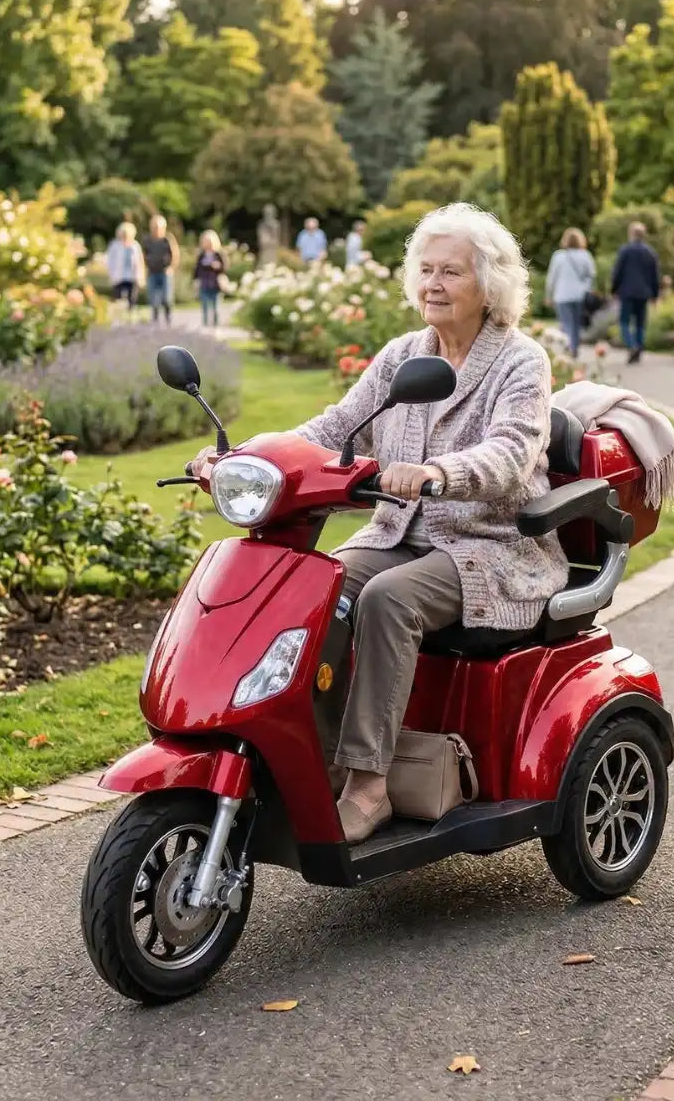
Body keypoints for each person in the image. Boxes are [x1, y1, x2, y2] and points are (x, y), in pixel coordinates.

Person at [188, 203, 568, 843]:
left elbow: (512, 451)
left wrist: (435, 472)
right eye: (425, 270)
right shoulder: (401, 357)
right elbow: (334, 427)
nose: (433, 284)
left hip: (488, 546)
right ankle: (316, 753)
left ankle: (368, 787)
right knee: (315, 583)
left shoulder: (520, 362)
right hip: (397, 533)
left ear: (490, 284)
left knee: (390, 600)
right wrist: (242, 458)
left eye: (451, 272)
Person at [610, 222, 661, 364]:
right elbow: (655, 276)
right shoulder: (650, 252)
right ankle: (638, 348)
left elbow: (617, 272)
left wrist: (613, 289)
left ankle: (632, 346)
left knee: (624, 322)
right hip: (643, 293)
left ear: (631, 234)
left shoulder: (625, 251)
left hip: (627, 292)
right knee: (640, 323)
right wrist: (655, 295)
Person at [544, 227, 596, 357]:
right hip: (579, 295)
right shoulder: (585, 255)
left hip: (562, 295)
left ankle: (570, 346)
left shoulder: (558, 256)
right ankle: (574, 347)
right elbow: (591, 275)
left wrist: (548, 295)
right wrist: (586, 288)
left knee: (566, 323)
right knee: (577, 323)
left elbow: (551, 278)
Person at [141, 215, 179, 324]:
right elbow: (143, 255)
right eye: (154, 226)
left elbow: (175, 255)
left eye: (158, 227)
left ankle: (168, 316)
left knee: (167, 298)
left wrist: (171, 268)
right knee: (153, 298)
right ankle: (155, 318)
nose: (156, 229)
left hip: (165, 272)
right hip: (152, 272)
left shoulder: (168, 239)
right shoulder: (147, 240)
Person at [105, 222, 146, 312]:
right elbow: (109, 261)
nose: (125, 236)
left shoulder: (135, 245)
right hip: (118, 277)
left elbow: (140, 261)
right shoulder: (114, 245)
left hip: (132, 277)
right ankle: (118, 318)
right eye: (124, 234)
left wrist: (141, 276)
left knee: (132, 299)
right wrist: (111, 274)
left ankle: (130, 317)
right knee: (117, 298)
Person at [192, 230, 227, 328]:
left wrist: (218, 266)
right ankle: (205, 326)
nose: (208, 244)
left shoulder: (218, 254)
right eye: (206, 242)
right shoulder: (201, 255)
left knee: (216, 308)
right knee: (205, 307)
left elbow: (224, 268)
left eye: (210, 242)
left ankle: (216, 326)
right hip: (204, 284)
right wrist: (195, 281)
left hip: (215, 285)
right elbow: (196, 269)